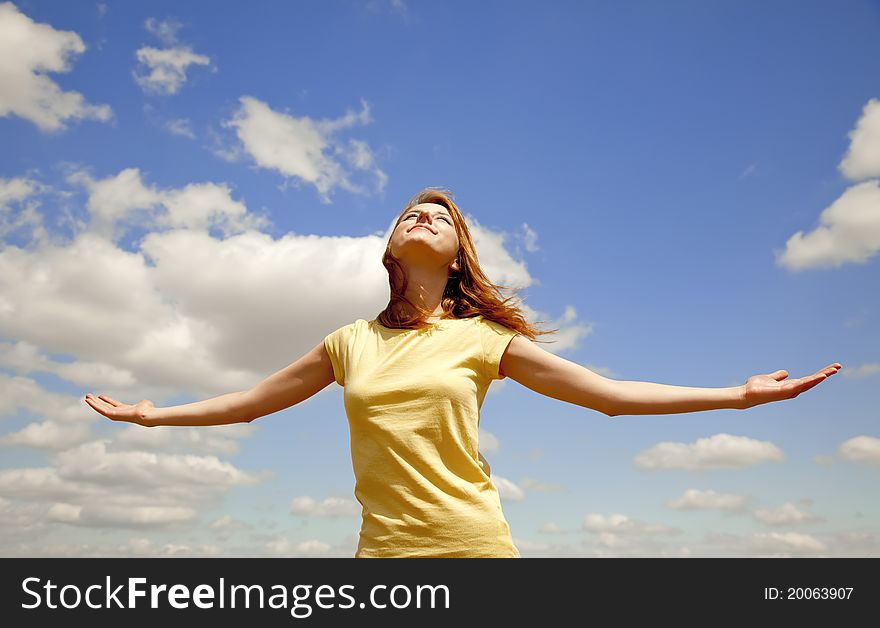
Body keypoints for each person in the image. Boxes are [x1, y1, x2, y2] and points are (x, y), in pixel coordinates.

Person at [84, 186, 842, 558]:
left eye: (439, 216)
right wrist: (153, 415)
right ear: (390, 246)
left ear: (456, 257)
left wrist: (738, 398)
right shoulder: (348, 342)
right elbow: (250, 404)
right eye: (411, 210)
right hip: (381, 555)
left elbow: (609, 398)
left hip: (474, 546)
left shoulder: (483, 340)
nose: (421, 214)